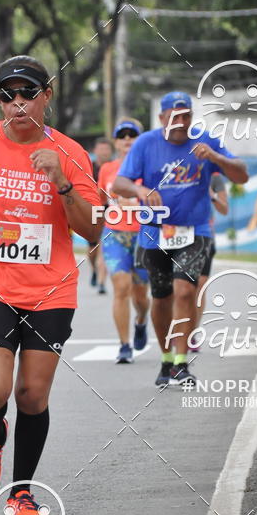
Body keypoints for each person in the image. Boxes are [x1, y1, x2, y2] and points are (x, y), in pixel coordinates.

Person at [0, 55, 102, 515]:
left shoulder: (71, 152)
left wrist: (62, 183)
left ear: (46, 96)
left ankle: (22, 494)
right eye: (7, 95)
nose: (17, 104)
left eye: (27, 94)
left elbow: (92, 231)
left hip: (50, 291)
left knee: (32, 396)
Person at [113, 91, 248, 387]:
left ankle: (181, 361)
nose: (180, 122)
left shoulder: (205, 140)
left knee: (186, 291)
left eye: (186, 115)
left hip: (194, 230)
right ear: (162, 118)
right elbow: (119, 183)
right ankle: (166, 359)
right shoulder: (146, 144)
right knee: (161, 298)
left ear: (191, 117)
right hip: (155, 232)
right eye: (174, 116)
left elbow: (242, 176)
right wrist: (139, 191)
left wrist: (214, 157)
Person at [98, 118, 150, 364]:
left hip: (143, 234)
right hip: (114, 234)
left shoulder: (149, 167)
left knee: (140, 297)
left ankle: (141, 321)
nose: (127, 139)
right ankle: (124, 345)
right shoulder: (107, 169)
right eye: (122, 135)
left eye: (132, 135)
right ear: (116, 142)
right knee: (121, 288)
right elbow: (99, 200)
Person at [188, 172, 229, 351]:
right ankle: (177, 328)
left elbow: (224, 209)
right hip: (175, 235)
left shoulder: (214, 177)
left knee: (199, 286)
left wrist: (212, 196)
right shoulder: (172, 168)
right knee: (179, 287)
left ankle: (192, 332)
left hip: (204, 236)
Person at [89, 137, 112, 294]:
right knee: (93, 247)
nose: (104, 152)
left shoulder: (115, 167)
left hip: (111, 210)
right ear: (95, 151)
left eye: (106, 149)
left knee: (104, 246)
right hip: (92, 209)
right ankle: (94, 270)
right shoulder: (88, 167)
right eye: (101, 149)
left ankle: (102, 282)